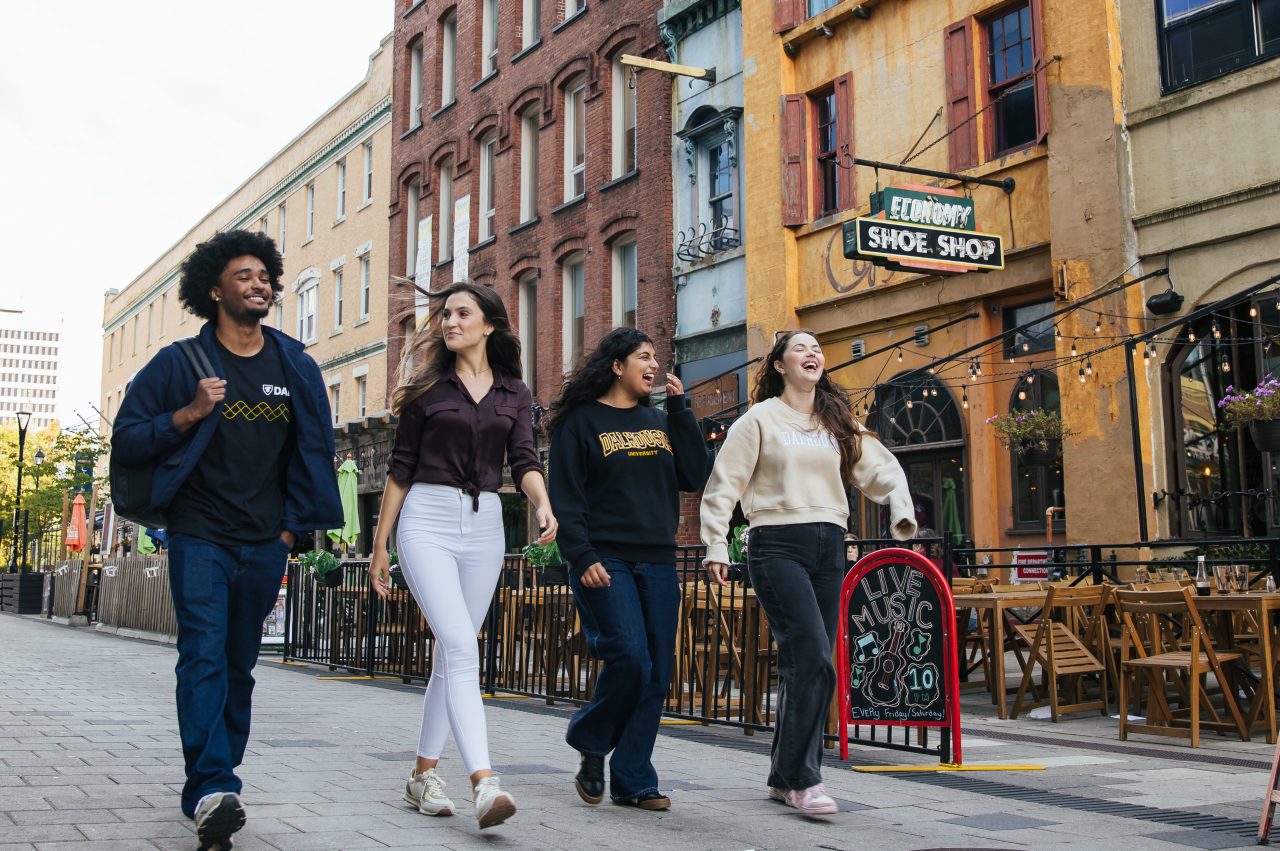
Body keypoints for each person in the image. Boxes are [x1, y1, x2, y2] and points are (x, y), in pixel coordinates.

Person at [112, 230, 342, 850]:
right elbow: (128, 441)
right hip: (199, 536)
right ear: (214, 290)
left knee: (240, 665)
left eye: (265, 275)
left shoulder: (294, 364)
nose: (259, 284)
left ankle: (217, 785)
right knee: (204, 656)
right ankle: (211, 784)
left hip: (266, 541)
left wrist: (293, 529)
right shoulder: (179, 364)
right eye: (244, 276)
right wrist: (186, 414)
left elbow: (313, 451)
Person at [700, 330, 916, 815]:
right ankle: (804, 780)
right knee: (813, 656)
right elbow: (724, 483)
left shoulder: (836, 420)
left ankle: (785, 776)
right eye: (800, 347)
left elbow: (881, 466)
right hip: (776, 543)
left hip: (829, 545)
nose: (812, 353)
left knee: (811, 663)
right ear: (779, 364)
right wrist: (716, 542)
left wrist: (899, 507)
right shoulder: (760, 419)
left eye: (817, 348)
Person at [368, 281, 557, 830]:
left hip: (485, 526)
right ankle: (484, 781)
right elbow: (400, 470)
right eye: (445, 314)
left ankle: (421, 774)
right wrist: (381, 544)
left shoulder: (514, 392)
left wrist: (542, 504)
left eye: (461, 313)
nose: (450, 322)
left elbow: (523, 458)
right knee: (458, 646)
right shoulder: (427, 388)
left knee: (451, 659)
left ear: (489, 324)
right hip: (425, 519)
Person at [544, 327, 711, 811]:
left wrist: (681, 412)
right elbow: (568, 498)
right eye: (644, 356)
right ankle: (592, 738)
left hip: (658, 558)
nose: (654, 364)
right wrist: (583, 555)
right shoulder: (581, 422)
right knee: (631, 658)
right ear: (618, 365)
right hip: (606, 557)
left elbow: (694, 475)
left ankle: (633, 777)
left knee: (657, 672)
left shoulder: (660, 418)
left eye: (656, 357)